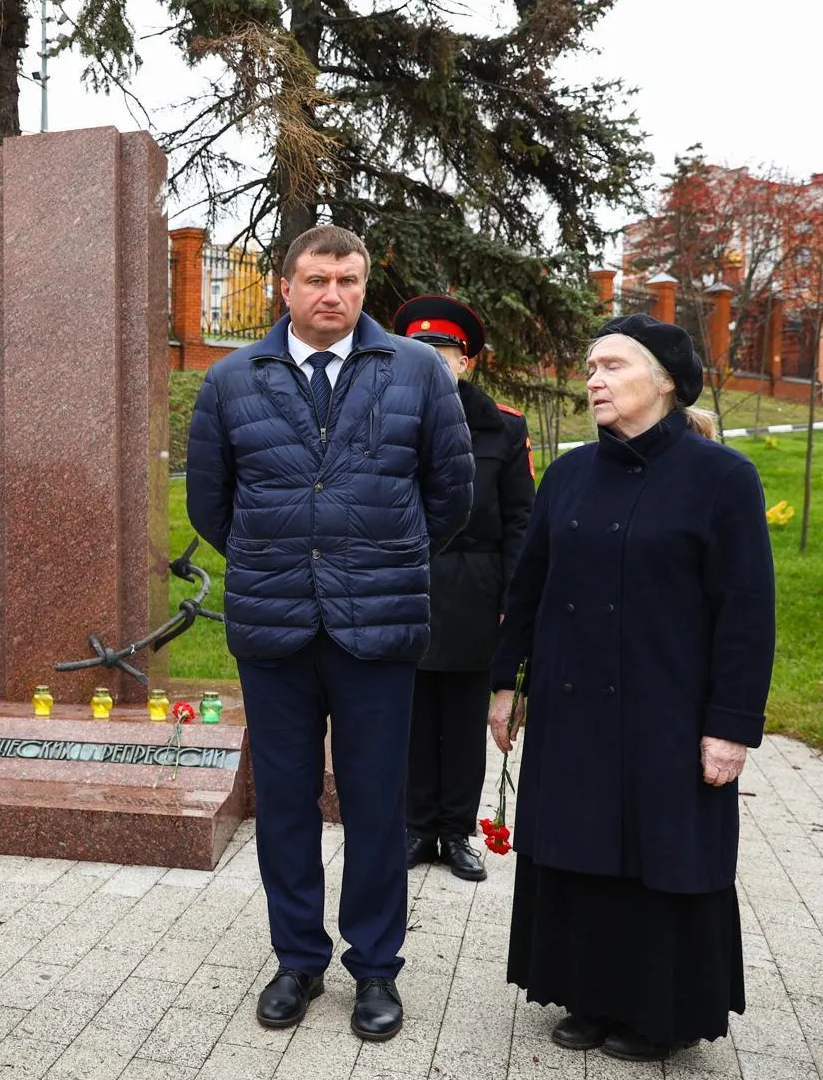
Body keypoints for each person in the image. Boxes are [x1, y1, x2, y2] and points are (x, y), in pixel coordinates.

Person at [185, 226, 474, 1041]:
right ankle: (297, 959)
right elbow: (213, 503)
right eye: (316, 279)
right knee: (283, 803)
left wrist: (384, 554)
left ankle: (377, 969)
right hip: (275, 627)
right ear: (284, 287)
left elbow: (449, 496)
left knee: (377, 804)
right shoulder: (232, 379)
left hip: (376, 625)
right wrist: (278, 554)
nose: (332, 294)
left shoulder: (416, 371)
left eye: (348, 280)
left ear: (364, 287)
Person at [490, 314, 773, 1063]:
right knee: (581, 844)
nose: (595, 379)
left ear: (668, 382)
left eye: (613, 365)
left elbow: (748, 610)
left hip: (668, 710)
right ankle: (588, 992)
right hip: (572, 702)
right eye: (590, 367)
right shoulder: (570, 472)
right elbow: (530, 585)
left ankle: (659, 1012)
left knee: (660, 853)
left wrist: (733, 725)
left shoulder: (722, 478)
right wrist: (503, 683)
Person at [390, 297, 534, 883]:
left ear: (466, 362)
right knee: (413, 716)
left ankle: (456, 831)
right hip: (405, 584)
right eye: (420, 352)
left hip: (475, 589)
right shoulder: (387, 418)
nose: (433, 361)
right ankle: (417, 826)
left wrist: (512, 602)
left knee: (465, 715)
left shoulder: (503, 425)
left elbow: (522, 522)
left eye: (444, 352)